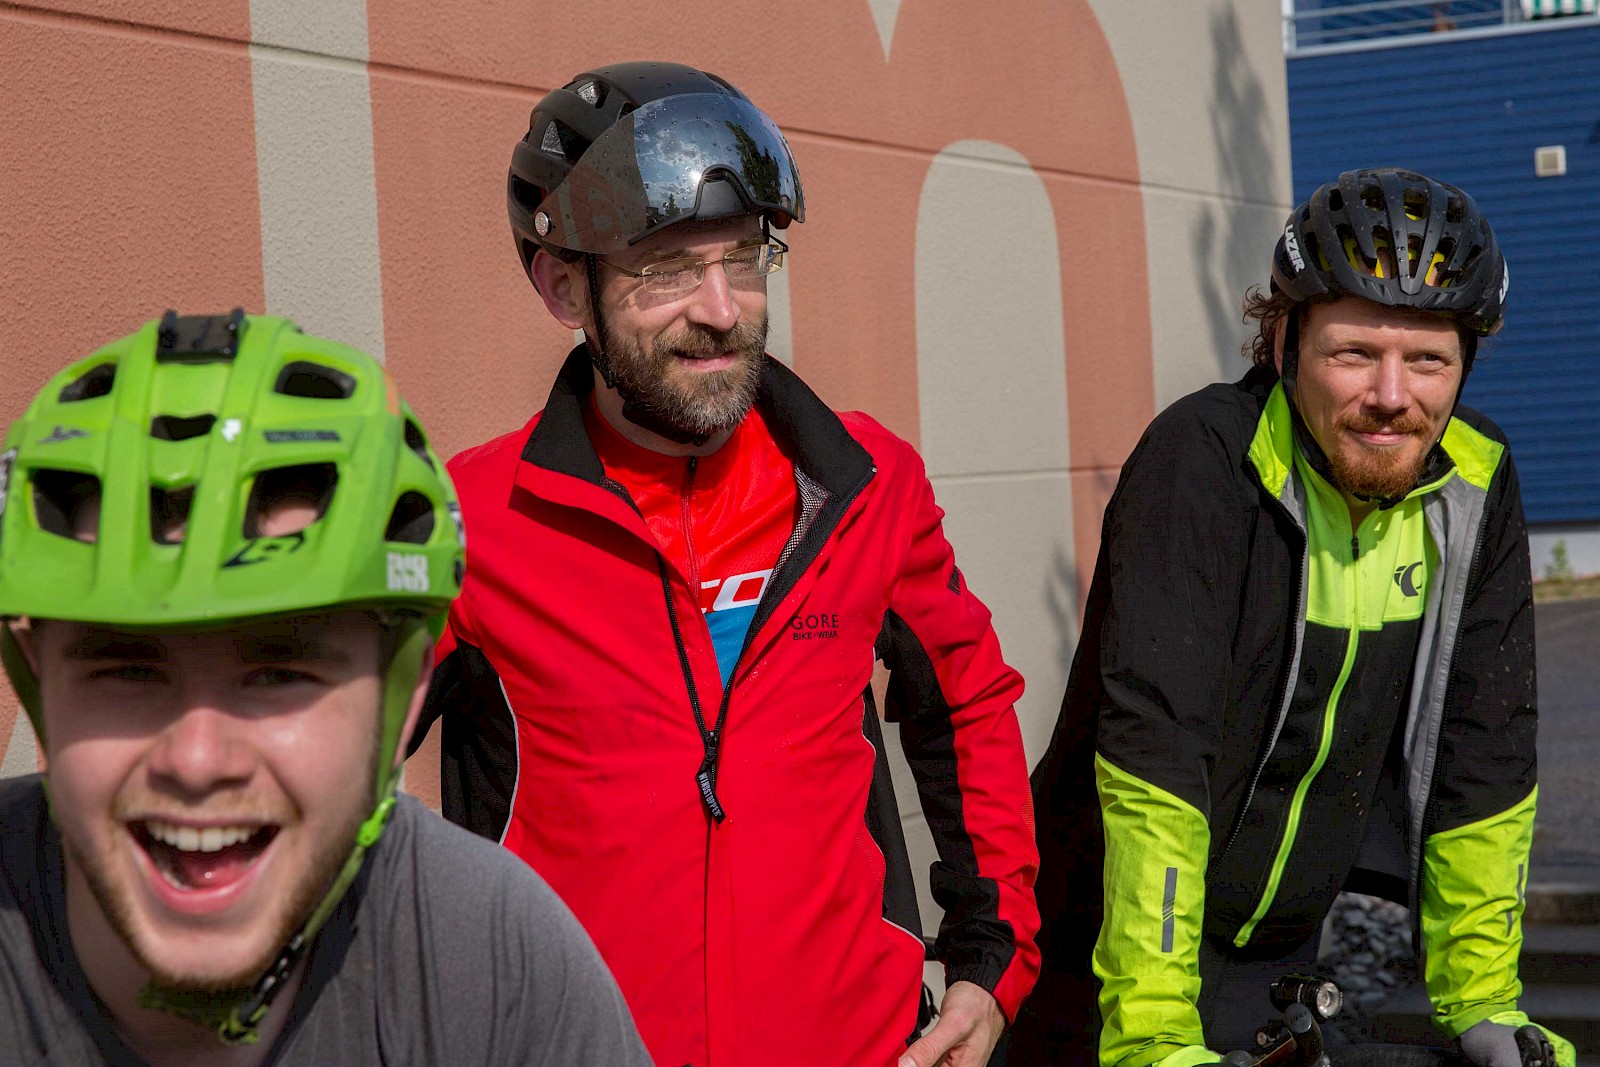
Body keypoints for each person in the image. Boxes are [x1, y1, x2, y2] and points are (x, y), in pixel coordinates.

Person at [408, 61, 1040, 1067]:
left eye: (743, 258)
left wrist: (992, 960)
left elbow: (967, 704)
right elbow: (323, 779)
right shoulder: (469, 522)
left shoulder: (866, 483)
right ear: (564, 286)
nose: (721, 307)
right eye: (666, 268)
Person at [1009, 168, 1576, 1067]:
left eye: (1428, 360)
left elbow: (1488, 751)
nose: (1391, 394)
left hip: (1276, 958)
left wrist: (1480, 1001)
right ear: (1284, 341)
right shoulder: (1203, 462)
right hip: (1097, 949)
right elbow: (1158, 758)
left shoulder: (1475, 481)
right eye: (1353, 352)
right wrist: (1153, 1033)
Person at [0, 311, 651, 1066]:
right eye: (127, 671)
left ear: (401, 702)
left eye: (279, 674)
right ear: (38, 682)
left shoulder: (499, 969)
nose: (198, 760)